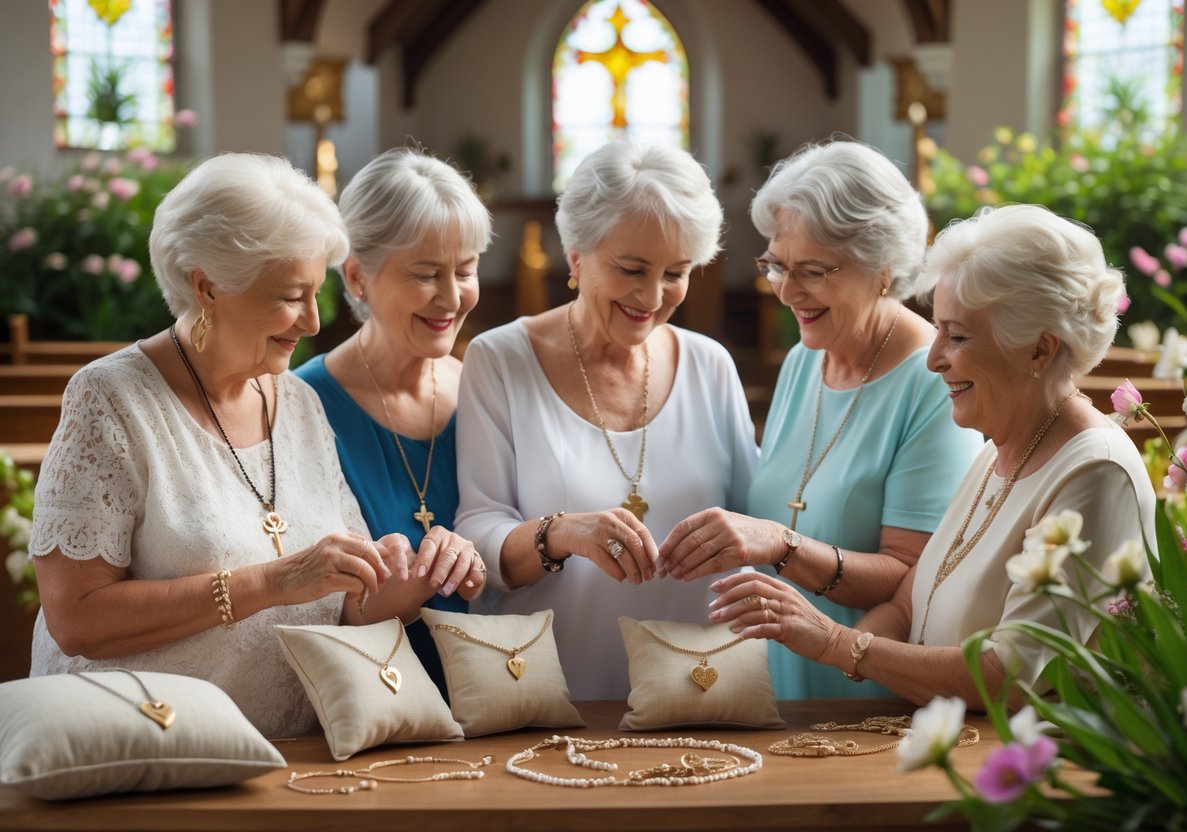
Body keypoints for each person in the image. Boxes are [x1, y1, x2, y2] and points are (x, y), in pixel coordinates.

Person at [27, 154, 460, 739]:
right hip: (142, 749)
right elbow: (75, 619)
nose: (313, 321)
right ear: (207, 286)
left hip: (290, 757)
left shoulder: (300, 403)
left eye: (316, 293)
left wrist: (414, 579)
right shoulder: (110, 398)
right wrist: (274, 581)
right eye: (292, 295)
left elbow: (345, 606)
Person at [708, 203, 1156, 706]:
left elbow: (1007, 676)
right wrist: (810, 639)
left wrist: (835, 643)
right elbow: (907, 606)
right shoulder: (1000, 450)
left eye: (957, 336)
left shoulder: (1095, 470)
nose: (933, 358)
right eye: (936, 328)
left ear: (1040, 349)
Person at [658, 140, 984, 699]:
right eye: (776, 266)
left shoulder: (932, 382)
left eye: (811, 271)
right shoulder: (804, 361)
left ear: (882, 268)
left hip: (867, 696)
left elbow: (915, 577)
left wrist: (780, 544)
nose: (787, 291)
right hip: (780, 689)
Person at [455, 141, 758, 700]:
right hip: (549, 697)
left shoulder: (710, 365)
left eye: (676, 273)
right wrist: (559, 533)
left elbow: (753, 524)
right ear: (576, 256)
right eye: (632, 268)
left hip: (699, 696)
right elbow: (476, 535)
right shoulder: (499, 359)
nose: (652, 296)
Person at [296, 148, 490, 698]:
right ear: (358, 276)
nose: (452, 297)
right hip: (371, 698)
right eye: (427, 274)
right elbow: (307, 602)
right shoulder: (302, 404)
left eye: (466, 270)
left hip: (502, 690)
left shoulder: (483, 389)